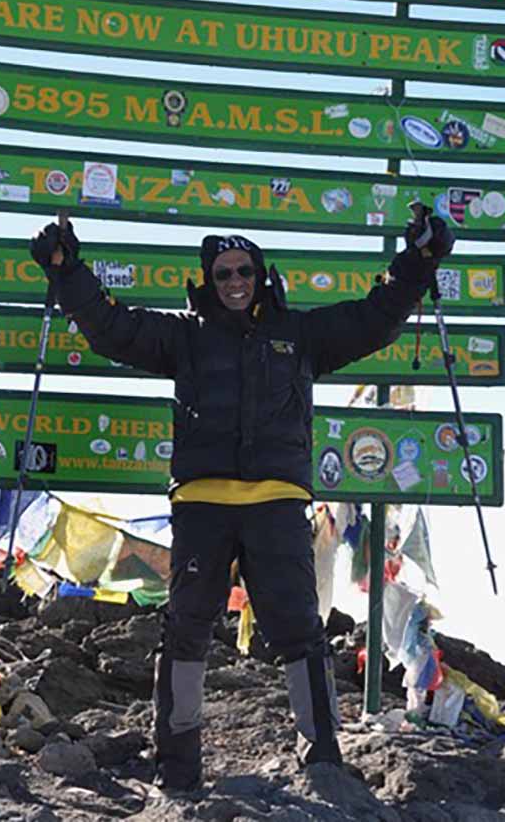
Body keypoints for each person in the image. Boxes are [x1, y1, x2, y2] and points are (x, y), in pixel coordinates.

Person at [31, 210, 453, 791]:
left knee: (302, 632)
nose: (235, 280)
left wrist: (420, 261)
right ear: (208, 279)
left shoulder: (301, 336)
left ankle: (323, 761)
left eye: (245, 270)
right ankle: (177, 772)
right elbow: (111, 327)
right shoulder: (182, 335)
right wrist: (68, 270)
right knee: (185, 633)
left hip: (278, 505)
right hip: (202, 505)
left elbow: (373, 319)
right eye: (224, 271)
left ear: (261, 275)